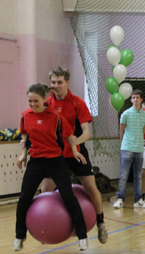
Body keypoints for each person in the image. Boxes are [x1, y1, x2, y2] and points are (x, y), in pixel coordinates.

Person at [14, 83, 89, 252]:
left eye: (36, 101)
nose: (33, 104)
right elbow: (25, 137)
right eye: (30, 101)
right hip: (36, 162)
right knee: (24, 198)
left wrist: (75, 151)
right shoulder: (25, 116)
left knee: (68, 196)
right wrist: (23, 155)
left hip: (55, 161)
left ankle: (82, 236)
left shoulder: (56, 117)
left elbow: (69, 136)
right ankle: (19, 236)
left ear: (44, 99)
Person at [43, 66, 108, 244]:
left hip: (77, 153)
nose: (56, 86)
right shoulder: (46, 104)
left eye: (60, 82)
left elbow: (86, 133)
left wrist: (75, 143)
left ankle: (101, 223)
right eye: (53, 82)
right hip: (55, 155)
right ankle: (46, 226)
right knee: (45, 189)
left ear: (67, 82)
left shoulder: (78, 103)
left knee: (92, 189)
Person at [114, 89, 145, 208]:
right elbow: (121, 130)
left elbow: (143, 130)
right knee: (124, 175)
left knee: (138, 175)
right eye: (133, 97)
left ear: (141, 99)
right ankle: (120, 199)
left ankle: (138, 200)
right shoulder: (126, 114)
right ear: (131, 100)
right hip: (127, 148)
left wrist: (139, 142)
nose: (135, 99)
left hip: (139, 148)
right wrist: (122, 145)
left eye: (137, 97)